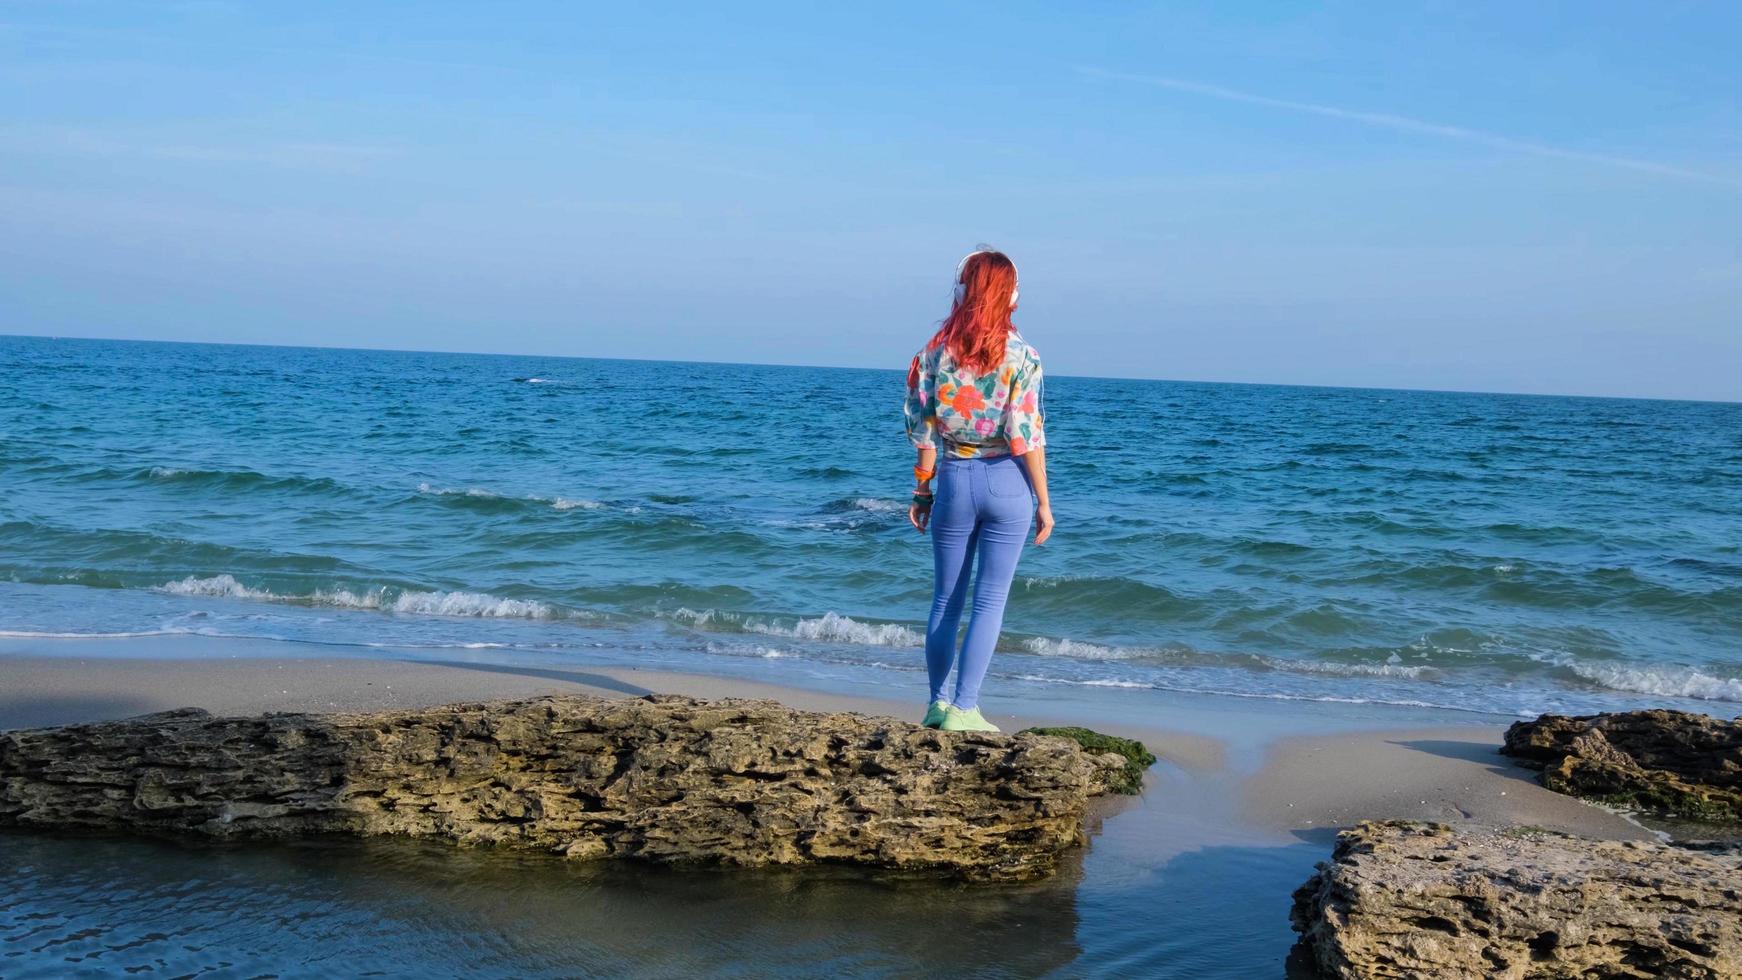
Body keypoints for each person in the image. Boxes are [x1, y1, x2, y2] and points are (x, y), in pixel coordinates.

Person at [903, 248, 1052, 732]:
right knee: (989, 600)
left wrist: (922, 492)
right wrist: (1044, 503)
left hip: (953, 479)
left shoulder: (933, 353)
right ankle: (966, 708)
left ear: (964, 289)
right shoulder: (1023, 356)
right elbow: (1025, 435)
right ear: (1009, 293)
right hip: (1006, 481)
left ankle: (937, 704)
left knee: (945, 599)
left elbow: (924, 433)